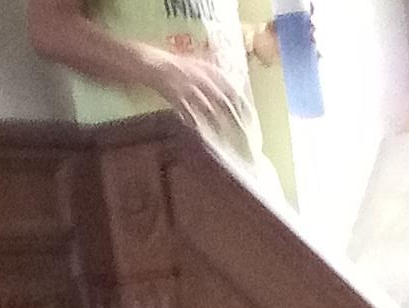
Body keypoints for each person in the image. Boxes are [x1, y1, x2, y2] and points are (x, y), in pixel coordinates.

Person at [26, 0, 285, 190]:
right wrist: (163, 69)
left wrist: (258, 38)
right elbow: (51, 27)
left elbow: (191, 22)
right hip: (153, 180)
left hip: (247, 174)